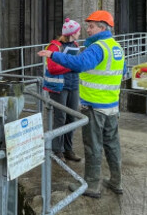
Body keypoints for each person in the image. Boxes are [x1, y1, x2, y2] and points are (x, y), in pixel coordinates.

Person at [37, 10, 125, 199]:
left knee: (93, 146)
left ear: (102, 27)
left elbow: (80, 64)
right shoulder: (116, 47)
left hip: (95, 106)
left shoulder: (97, 47)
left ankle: (92, 185)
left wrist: (54, 56)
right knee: (112, 145)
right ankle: (116, 182)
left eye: (91, 26)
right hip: (111, 105)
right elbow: (122, 72)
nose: (87, 29)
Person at [43, 18, 82, 162]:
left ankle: (68, 150)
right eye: (78, 31)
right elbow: (53, 68)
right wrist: (72, 65)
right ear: (71, 33)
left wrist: (73, 64)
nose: (79, 33)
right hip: (59, 87)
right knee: (60, 118)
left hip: (73, 85)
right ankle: (56, 150)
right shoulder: (54, 47)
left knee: (71, 118)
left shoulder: (76, 45)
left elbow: (78, 64)